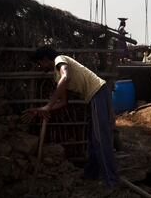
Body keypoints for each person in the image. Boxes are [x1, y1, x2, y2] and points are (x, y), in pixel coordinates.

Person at [22, 46, 119, 188]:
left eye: (39, 63)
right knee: (93, 139)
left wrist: (48, 105)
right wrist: (40, 110)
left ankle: (112, 181)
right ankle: (92, 174)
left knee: (100, 138)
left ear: (45, 59)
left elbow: (66, 77)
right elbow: (63, 102)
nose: (39, 66)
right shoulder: (57, 76)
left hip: (97, 92)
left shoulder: (60, 60)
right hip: (94, 96)